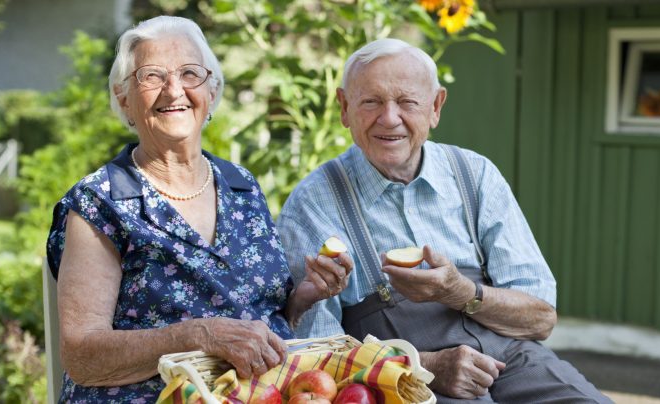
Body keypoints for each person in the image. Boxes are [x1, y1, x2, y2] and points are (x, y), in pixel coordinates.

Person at [277, 38, 610, 403]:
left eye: (407, 102)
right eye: (371, 101)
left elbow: (540, 319)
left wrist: (461, 292)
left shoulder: (474, 174)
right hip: (406, 380)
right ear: (344, 108)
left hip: (513, 359)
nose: (389, 118)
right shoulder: (315, 202)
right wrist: (425, 365)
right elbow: (316, 352)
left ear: (435, 107)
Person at [46, 16, 343, 402]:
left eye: (190, 73)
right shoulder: (101, 202)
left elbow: (257, 317)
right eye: (152, 76)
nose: (174, 90)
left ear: (212, 90)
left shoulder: (241, 185)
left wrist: (303, 297)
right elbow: (82, 357)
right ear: (124, 99)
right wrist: (197, 336)